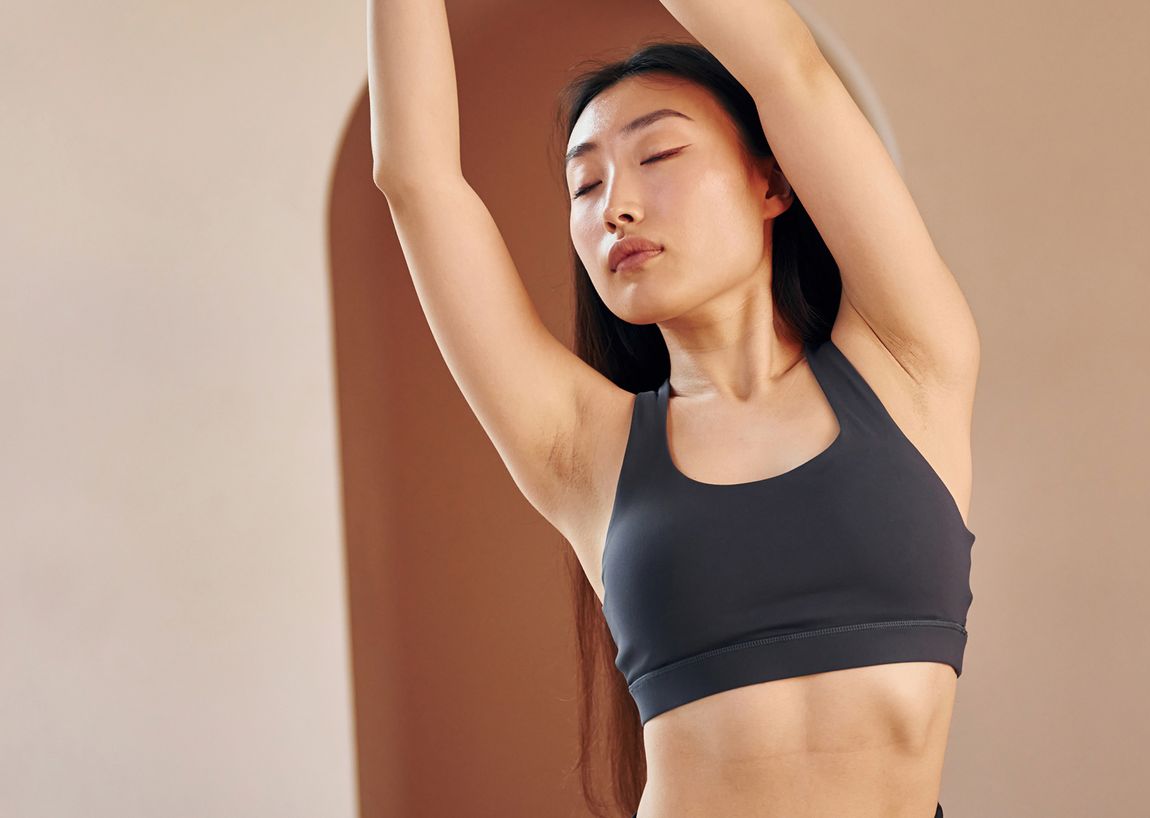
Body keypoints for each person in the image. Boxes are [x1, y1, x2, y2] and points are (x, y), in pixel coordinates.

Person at [368, 1, 980, 816]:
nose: (615, 206)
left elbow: (788, 67)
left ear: (772, 180)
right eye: (585, 184)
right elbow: (417, 182)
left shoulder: (909, 364)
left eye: (657, 153)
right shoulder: (586, 450)